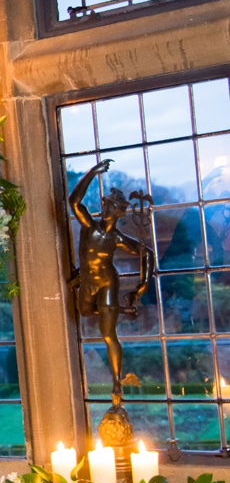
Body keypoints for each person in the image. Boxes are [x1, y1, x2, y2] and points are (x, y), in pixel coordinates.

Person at [69, 158, 154, 405]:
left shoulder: (116, 237)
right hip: (87, 280)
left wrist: (144, 284)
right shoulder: (89, 226)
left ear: (117, 214)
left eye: (109, 208)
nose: (105, 210)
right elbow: (74, 201)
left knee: (108, 334)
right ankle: (117, 309)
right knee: (84, 312)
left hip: (107, 282)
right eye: (105, 205)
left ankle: (117, 382)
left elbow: (146, 253)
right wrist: (92, 173)